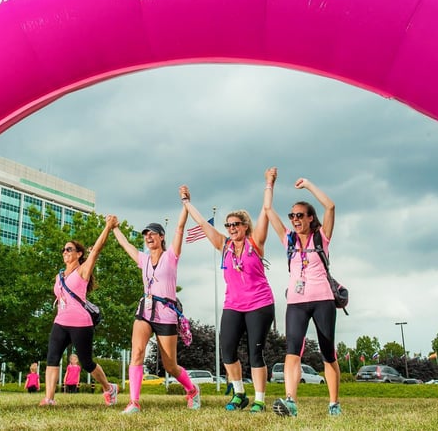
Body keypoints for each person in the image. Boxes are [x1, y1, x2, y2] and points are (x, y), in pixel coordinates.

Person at [181, 182, 275, 413]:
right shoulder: (224, 246)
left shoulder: (255, 243)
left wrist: (269, 184)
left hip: (260, 304)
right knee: (227, 349)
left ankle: (260, 399)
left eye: (236, 225)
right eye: (228, 225)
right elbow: (202, 224)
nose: (231, 228)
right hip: (233, 305)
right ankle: (239, 393)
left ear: (245, 226)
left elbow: (265, 211)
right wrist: (186, 203)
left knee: (255, 352)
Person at [263, 167, 341, 417]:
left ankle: (333, 403)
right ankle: (290, 401)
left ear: (310, 218)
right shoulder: (288, 239)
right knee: (292, 350)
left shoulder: (322, 237)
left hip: (323, 300)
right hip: (296, 302)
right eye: (292, 215)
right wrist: (269, 184)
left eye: (299, 215)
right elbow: (267, 211)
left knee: (329, 354)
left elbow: (330, 207)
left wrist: (308, 184)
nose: (294, 219)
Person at [111, 203, 201, 415]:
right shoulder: (143, 259)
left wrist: (185, 204)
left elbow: (179, 228)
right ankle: (134, 402)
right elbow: (127, 247)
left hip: (167, 312)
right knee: (137, 353)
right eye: (146, 235)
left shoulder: (171, 256)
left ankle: (192, 390)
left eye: (153, 234)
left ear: (161, 237)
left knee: (170, 365)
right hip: (145, 310)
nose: (148, 237)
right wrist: (115, 228)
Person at [40, 215, 119, 407]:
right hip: (60, 322)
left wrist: (107, 227)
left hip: (81, 323)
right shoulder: (59, 275)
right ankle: (49, 399)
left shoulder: (83, 271)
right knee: (52, 359)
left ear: (78, 254)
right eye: (63, 250)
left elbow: (97, 248)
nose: (65, 252)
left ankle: (109, 388)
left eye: (69, 249)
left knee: (86, 363)